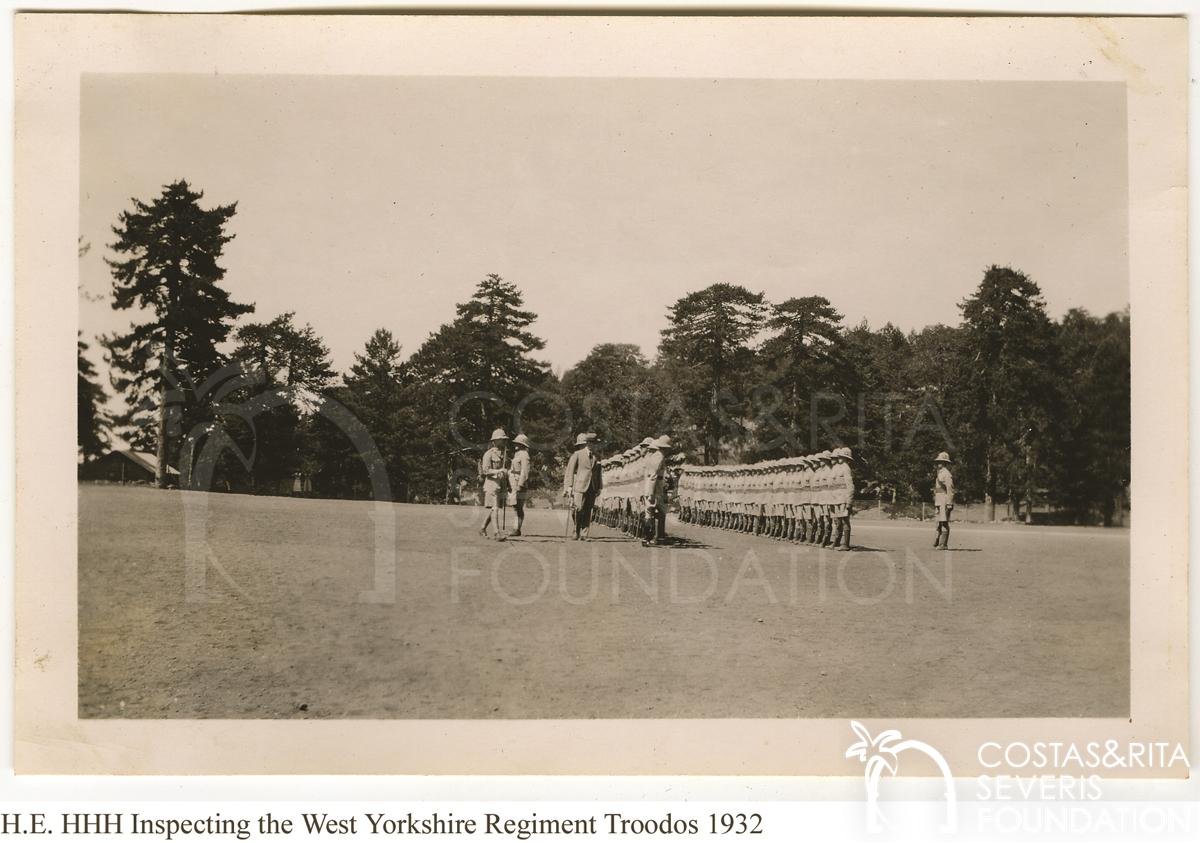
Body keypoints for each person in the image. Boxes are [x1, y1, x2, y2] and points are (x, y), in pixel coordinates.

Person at [563, 432, 603, 540]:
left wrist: (600, 487)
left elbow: (598, 472)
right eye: (590, 442)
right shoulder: (577, 454)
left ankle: (585, 533)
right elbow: (570, 471)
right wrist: (569, 486)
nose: (592, 445)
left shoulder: (597, 456)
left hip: (592, 486)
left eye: (594, 443)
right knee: (578, 509)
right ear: (586, 443)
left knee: (588, 509)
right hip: (580, 485)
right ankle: (576, 529)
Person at [479, 429, 510, 539]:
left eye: (504, 439)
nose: (504, 442)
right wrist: (499, 471)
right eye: (502, 439)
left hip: (500, 485)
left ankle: (482, 528)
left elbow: (504, 470)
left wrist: (506, 473)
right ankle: (497, 533)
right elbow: (486, 471)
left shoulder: (504, 454)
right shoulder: (488, 454)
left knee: (493, 509)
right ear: (495, 441)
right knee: (495, 508)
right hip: (491, 485)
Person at [506, 433, 531, 537]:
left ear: (523, 445)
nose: (516, 444)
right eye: (516, 443)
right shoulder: (517, 454)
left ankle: (517, 529)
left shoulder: (524, 455)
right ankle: (516, 528)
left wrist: (520, 484)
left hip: (519, 483)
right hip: (513, 482)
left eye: (518, 443)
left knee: (518, 507)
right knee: (515, 507)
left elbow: (525, 471)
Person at [831, 447, 854, 551]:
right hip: (837, 499)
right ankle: (837, 542)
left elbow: (850, 487)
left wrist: (849, 501)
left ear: (846, 458)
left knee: (845, 521)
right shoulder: (839, 468)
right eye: (839, 456)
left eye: (842, 457)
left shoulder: (846, 468)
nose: (839, 458)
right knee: (838, 521)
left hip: (844, 499)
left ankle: (846, 544)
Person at [933, 451, 955, 549]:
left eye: (941, 462)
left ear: (945, 463)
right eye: (938, 462)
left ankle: (943, 544)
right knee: (938, 521)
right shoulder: (939, 472)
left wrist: (949, 502)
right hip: (939, 499)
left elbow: (950, 489)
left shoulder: (947, 474)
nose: (938, 464)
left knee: (944, 521)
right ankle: (937, 540)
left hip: (944, 500)